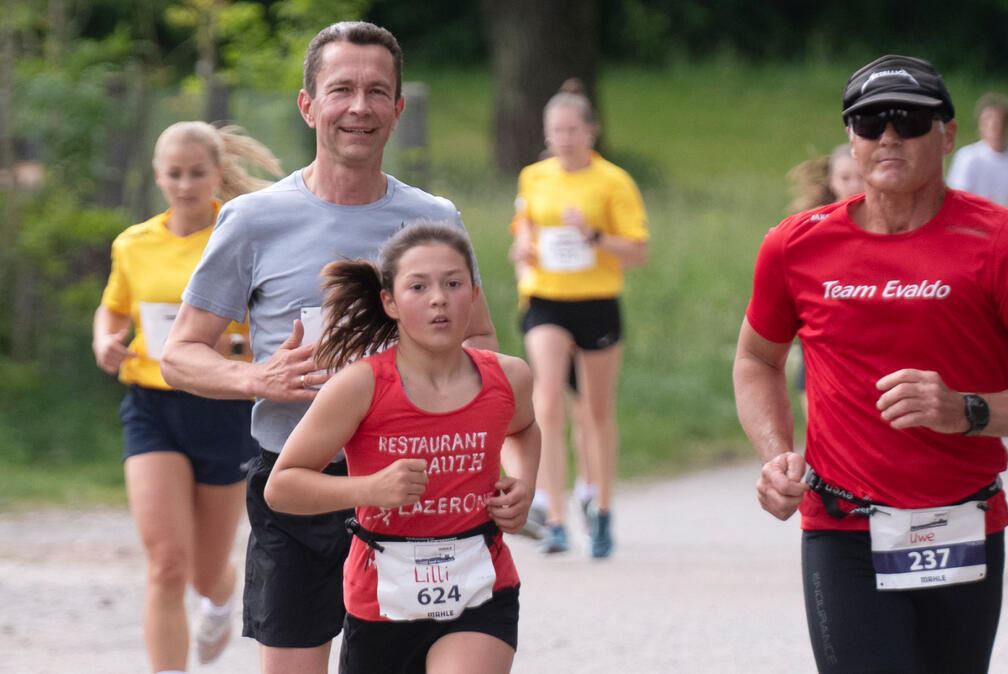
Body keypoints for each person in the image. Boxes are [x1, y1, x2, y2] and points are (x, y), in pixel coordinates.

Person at [160, 22, 497, 674]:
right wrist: (258, 378)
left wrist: (483, 450)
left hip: (411, 489)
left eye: (377, 92)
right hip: (296, 484)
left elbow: (480, 342)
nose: (359, 108)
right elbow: (182, 353)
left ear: (398, 109)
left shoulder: (434, 219)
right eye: (341, 89)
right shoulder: (253, 220)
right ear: (308, 103)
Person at [733, 54, 1008, 673]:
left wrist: (966, 410)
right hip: (842, 526)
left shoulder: (1002, 245)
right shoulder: (794, 246)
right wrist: (776, 453)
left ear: (948, 134)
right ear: (851, 137)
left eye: (909, 120)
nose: (888, 135)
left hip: (961, 523)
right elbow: (757, 359)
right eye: (869, 122)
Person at [262, 223, 538, 674]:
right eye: (418, 286)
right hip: (382, 597)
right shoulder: (360, 385)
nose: (439, 299)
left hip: (480, 587)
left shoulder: (508, 378)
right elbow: (282, 487)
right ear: (389, 301)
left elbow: (524, 429)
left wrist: (522, 484)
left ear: (473, 294)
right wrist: (369, 488)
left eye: (454, 283)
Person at [93, 121, 281, 673]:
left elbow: (269, 322)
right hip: (152, 405)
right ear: (157, 176)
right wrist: (106, 339)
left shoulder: (240, 232)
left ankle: (220, 596)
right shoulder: (133, 243)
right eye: (173, 174)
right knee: (166, 564)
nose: (185, 184)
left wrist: (234, 342)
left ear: (217, 174)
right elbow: (115, 307)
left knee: (202, 570)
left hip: (223, 406)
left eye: (197, 173)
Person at [510, 81, 649, 557]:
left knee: (594, 410)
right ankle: (554, 517)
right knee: (546, 398)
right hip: (546, 298)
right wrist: (523, 249)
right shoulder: (534, 177)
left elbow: (638, 250)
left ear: (591, 132)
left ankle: (601, 506)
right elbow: (522, 230)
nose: (564, 138)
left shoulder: (613, 182)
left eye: (572, 129)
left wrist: (592, 236)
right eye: (556, 131)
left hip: (596, 301)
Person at [786, 143, 864, 423]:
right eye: (845, 178)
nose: (854, 185)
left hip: (867, 350)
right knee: (821, 432)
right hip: (820, 349)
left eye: (860, 176)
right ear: (831, 182)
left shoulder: (890, 227)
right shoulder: (811, 229)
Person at [947, 92, 1008, 211]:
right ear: (980, 126)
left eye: (1000, 122)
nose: (995, 127)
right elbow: (958, 199)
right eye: (988, 122)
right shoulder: (967, 157)